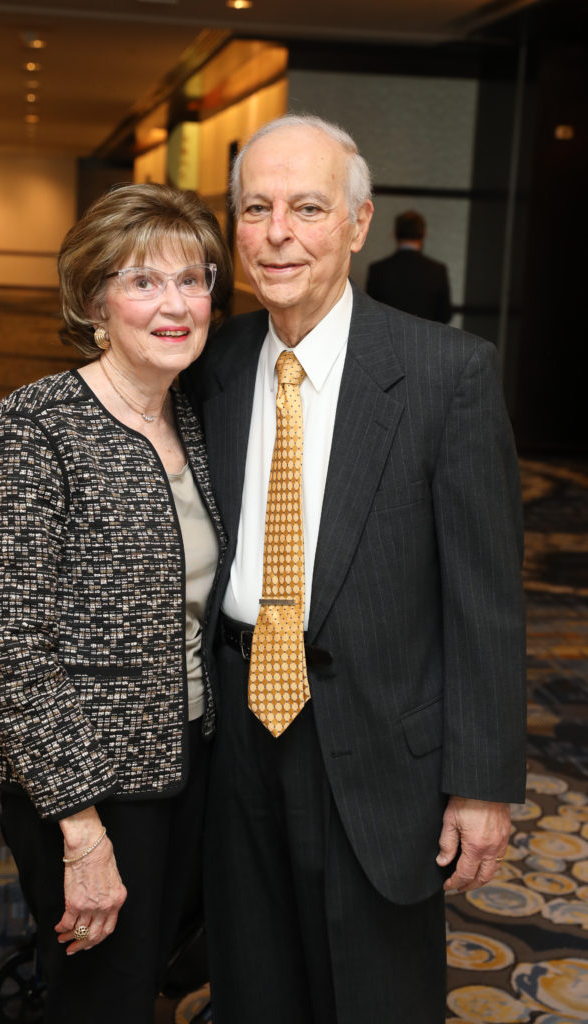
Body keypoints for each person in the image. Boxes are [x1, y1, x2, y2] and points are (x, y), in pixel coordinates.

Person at [183, 114, 526, 1024]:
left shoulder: (444, 373)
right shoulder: (210, 366)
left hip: (381, 745)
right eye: (254, 209)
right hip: (237, 728)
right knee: (252, 982)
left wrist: (482, 783)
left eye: (305, 207)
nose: (277, 234)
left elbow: (485, 600)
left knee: (375, 993)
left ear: (358, 221)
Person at [0, 182, 231, 1024]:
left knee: (146, 974)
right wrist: (82, 831)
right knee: (100, 998)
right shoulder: (38, 425)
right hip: (82, 782)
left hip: (187, 755)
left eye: (193, 279)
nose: (176, 305)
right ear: (92, 301)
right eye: (143, 281)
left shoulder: (192, 417)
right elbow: (6, 647)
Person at [366, 208, 452, 322]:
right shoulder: (437, 270)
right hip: (425, 336)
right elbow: (445, 315)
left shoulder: (378, 270)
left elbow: (369, 311)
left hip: (387, 337)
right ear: (424, 234)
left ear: (394, 234)